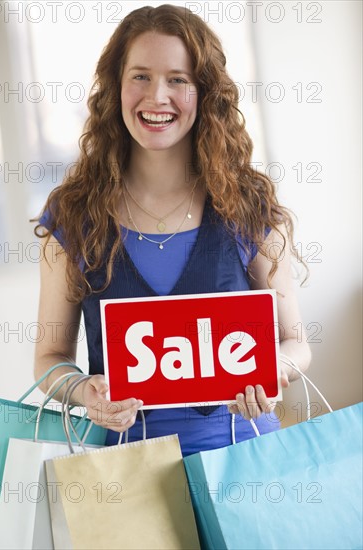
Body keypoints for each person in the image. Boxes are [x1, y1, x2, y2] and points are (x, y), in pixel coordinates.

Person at [34, 4, 311, 456]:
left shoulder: (247, 205)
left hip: (243, 454)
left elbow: (296, 342)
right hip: (127, 471)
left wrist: (272, 368)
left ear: (205, 93)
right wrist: (87, 392)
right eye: (140, 76)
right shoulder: (74, 215)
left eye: (178, 79)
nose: (157, 96)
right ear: (116, 88)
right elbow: (49, 361)